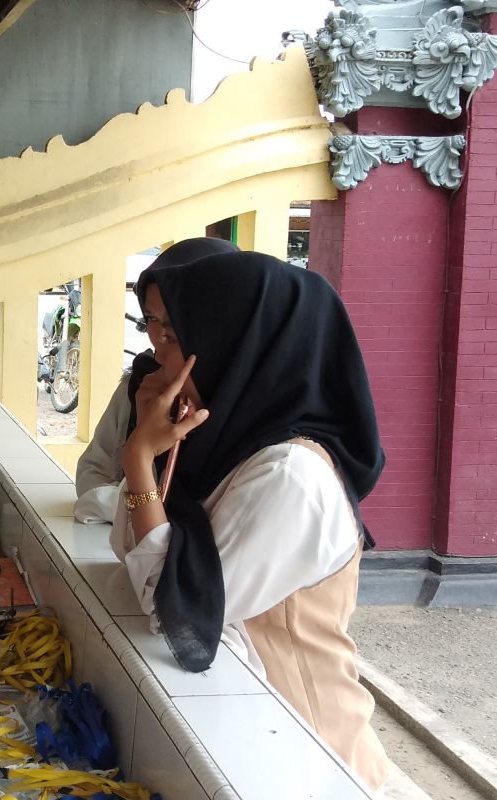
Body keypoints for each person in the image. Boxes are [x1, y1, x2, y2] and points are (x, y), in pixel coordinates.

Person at [111, 241, 390, 791]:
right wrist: (149, 450)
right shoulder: (221, 442)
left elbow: (174, 613)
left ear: (236, 338)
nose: (158, 355)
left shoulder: (291, 476)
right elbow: (131, 548)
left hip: (303, 755)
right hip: (235, 740)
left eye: (176, 333)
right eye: (153, 329)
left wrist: (140, 459)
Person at [73, 238, 240, 524]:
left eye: (174, 320)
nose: (159, 335)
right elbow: (90, 474)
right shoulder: (141, 384)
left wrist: (134, 503)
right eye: (151, 318)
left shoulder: (243, 407)